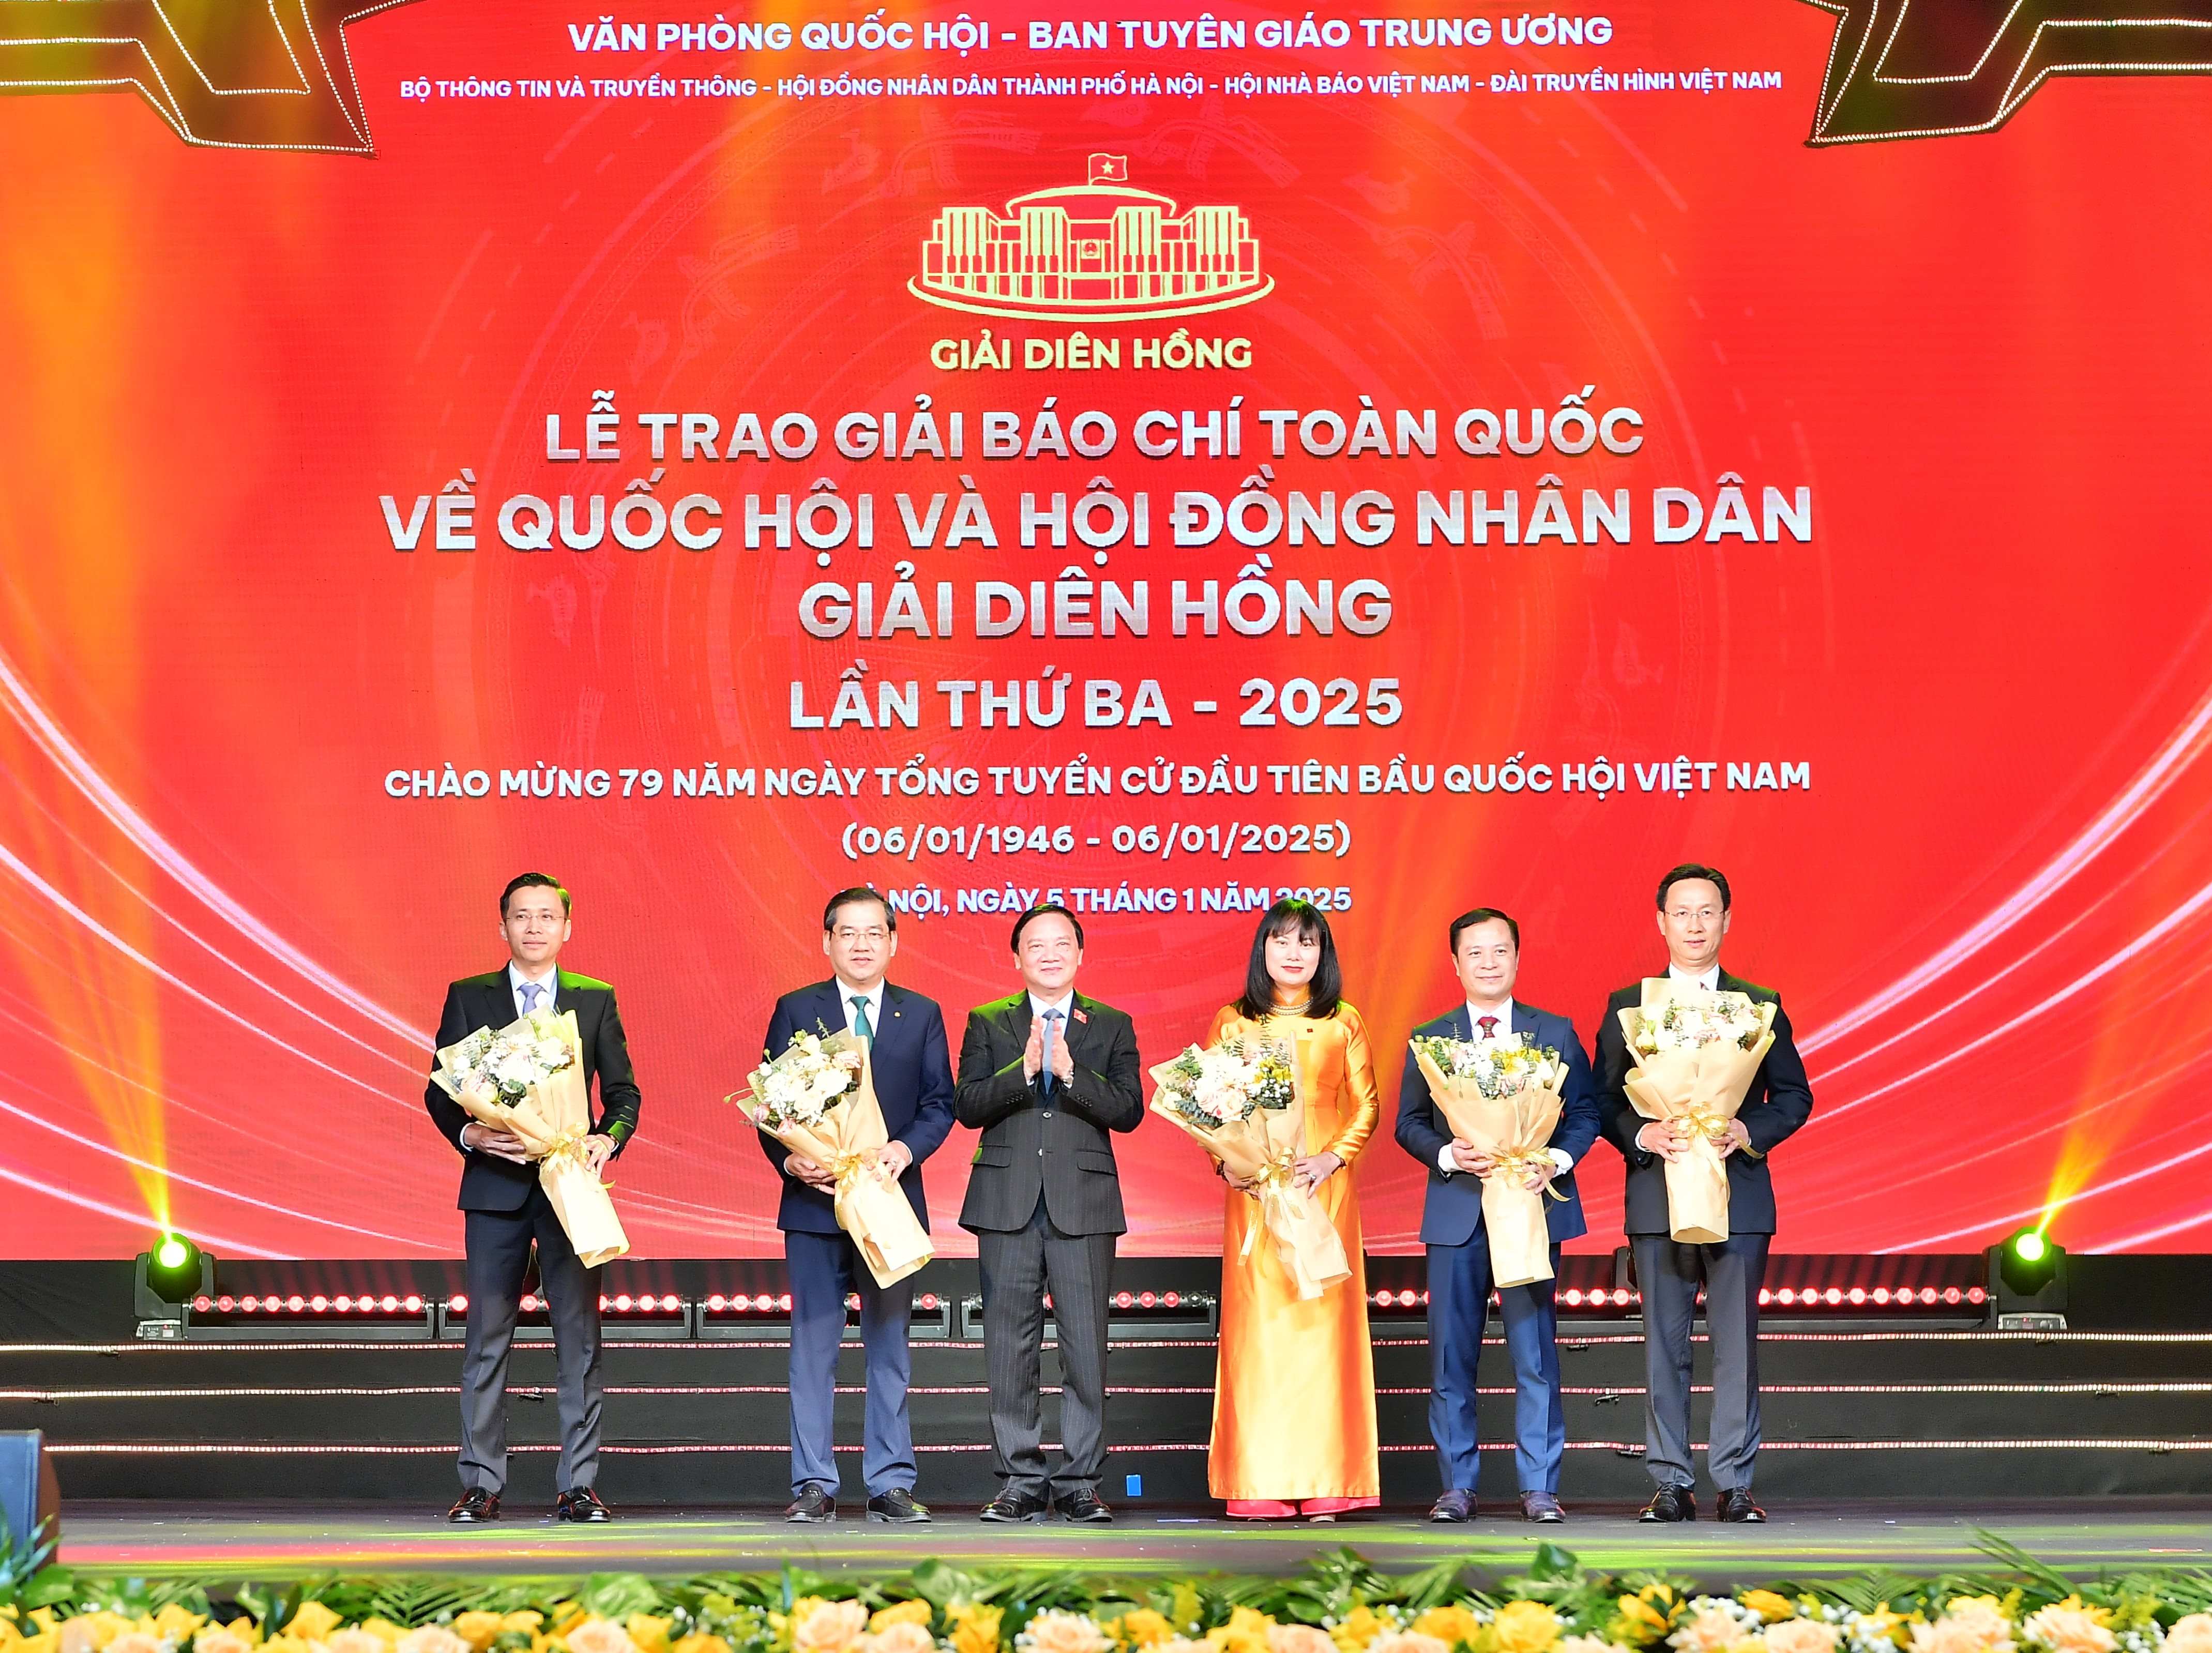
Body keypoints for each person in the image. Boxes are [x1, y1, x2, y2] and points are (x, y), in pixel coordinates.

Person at [1594, 863, 1814, 1524]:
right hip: (1658, 1197)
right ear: (1661, 922)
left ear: (1727, 920)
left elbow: (1794, 1095)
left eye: (1707, 912)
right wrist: (1642, 1133)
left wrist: (1749, 1129)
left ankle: (1736, 1482)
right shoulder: (1630, 1005)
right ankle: (1670, 1482)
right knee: (1663, 1346)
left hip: (1737, 1195)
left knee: (1736, 1345)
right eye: (1682, 912)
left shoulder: (1758, 1004)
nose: (1695, 924)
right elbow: (1601, 1100)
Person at [422, 872, 640, 1524]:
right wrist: (472, 1134)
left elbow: (623, 1094)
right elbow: (440, 1089)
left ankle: (579, 1484)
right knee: (487, 1339)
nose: (535, 926)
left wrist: (607, 1138)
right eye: (523, 915)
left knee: (579, 1340)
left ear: (567, 927)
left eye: (548, 915)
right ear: (503, 926)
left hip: (571, 1189)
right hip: (496, 1189)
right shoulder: (470, 996)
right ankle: (480, 1483)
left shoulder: (594, 998)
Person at [1395, 906, 1600, 1524]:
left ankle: (1539, 1485)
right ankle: (1457, 1485)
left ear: (1517, 956)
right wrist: (1447, 1153)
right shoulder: (1431, 1038)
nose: (1489, 962)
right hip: (1457, 1213)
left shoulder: (1554, 1031)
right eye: (1475, 953)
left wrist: (1555, 1159)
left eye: (1500, 950)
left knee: (1535, 1354)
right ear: (1456, 964)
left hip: (1530, 1208)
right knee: (1451, 1356)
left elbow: (1585, 1114)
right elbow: (1409, 1122)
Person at [761, 887, 955, 1525]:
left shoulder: (921, 1012)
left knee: (889, 1347)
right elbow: (771, 1105)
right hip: (814, 1205)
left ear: (893, 941)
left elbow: (939, 1103)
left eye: (875, 932)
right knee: (812, 1348)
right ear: (827, 941)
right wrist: (791, 1160)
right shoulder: (797, 1008)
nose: (862, 944)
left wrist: (904, 1148)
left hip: (889, 1203)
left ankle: (890, 1481)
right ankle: (814, 1482)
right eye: (848, 932)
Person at [955, 902, 1143, 1523]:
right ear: (1017, 957)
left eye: (1062, 942)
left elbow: (1129, 1110)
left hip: (1083, 1202)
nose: (1050, 953)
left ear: (1080, 953)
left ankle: (1081, 1480)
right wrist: (1026, 1068)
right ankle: (1019, 1478)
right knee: (1009, 1347)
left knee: (1086, 1347)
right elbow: (967, 1104)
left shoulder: (1111, 1023)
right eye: (1036, 944)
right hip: (1005, 1201)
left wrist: (1070, 1072)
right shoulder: (989, 1020)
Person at [1204, 899, 1381, 1522]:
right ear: (1263, 949)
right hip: (1256, 1192)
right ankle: (1260, 1481)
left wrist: (1333, 1157)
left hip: (1323, 1187)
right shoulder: (1233, 1021)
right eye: (1281, 940)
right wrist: (1230, 1164)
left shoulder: (1344, 1019)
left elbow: (1367, 1104)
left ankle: (1331, 1479)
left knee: (1324, 1328)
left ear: (1323, 953)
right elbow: (1207, 1107)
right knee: (1261, 1331)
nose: (1294, 952)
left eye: (1308, 942)